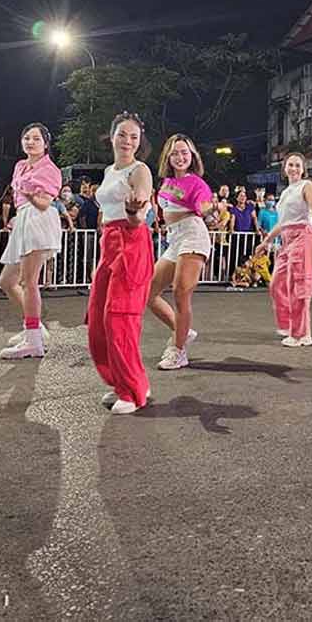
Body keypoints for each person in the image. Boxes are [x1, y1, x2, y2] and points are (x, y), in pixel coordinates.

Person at [85, 113, 155, 415]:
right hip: (109, 244)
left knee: (120, 318)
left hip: (132, 241)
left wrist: (132, 212)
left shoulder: (141, 171)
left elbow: (139, 216)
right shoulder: (109, 171)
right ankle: (124, 381)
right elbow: (106, 212)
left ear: (139, 143)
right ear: (111, 136)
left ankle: (132, 390)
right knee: (98, 320)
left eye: (134, 137)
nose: (127, 141)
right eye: (122, 135)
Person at [0, 123, 64, 360]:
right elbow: (18, 199)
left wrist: (27, 196)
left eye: (36, 139)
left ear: (46, 144)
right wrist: (18, 214)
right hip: (24, 218)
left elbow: (44, 203)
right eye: (27, 138)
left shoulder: (50, 169)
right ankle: (33, 326)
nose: (30, 142)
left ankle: (33, 341)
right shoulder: (20, 165)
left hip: (39, 219)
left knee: (29, 281)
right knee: (7, 280)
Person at [149, 134, 215, 370]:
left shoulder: (196, 183)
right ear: (168, 156)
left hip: (193, 237)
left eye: (184, 152)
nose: (180, 157)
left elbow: (205, 206)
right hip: (174, 241)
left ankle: (178, 351)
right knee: (149, 293)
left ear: (192, 156)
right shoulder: (166, 184)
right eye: (175, 153)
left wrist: (209, 210)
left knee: (180, 292)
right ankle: (182, 332)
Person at [254, 152, 312, 346]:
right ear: (284, 168)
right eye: (290, 165)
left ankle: (301, 334)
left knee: (298, 285)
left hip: (303, 235)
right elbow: (282, 223)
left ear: (303, 169)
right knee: (277, 283)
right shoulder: (285, 193)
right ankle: (289, 325)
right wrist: (266, 241)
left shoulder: (306, 185)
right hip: (286, 238)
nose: (293, 169)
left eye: (297, 165)